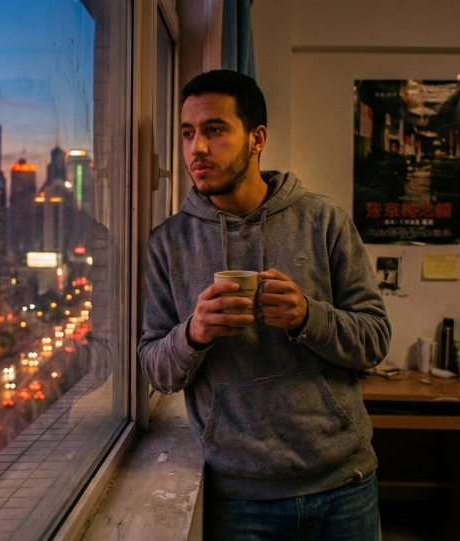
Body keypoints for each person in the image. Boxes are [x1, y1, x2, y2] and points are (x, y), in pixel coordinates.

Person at [138, 70, 392, 540]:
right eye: (188, 133)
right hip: (239, 497)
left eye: (214, 130)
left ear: (257, 139)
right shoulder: (167, 245)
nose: (196, 149)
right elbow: (155, 369)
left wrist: (308, 317)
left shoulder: (324, 221)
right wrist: (194, 334)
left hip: (344, 484)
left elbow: (375, 341)